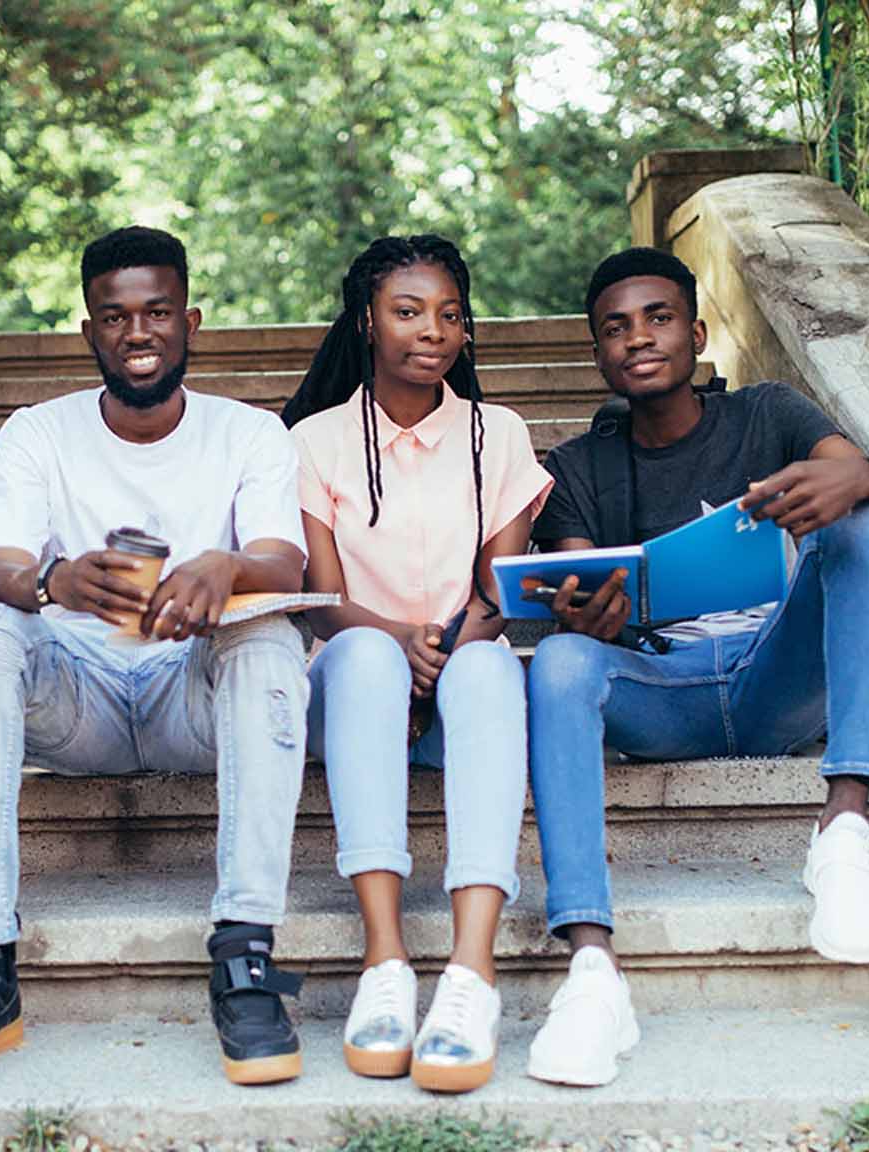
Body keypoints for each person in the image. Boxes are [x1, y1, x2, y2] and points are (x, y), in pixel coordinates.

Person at [0, 226, 312, 1094]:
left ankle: (246, 953)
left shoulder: (250, 433)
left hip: (194, 698)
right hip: (80, 705)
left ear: (192, 322)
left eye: (157, 313)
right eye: (116, 317)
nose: (138, 333)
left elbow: (287, 564)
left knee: (268, 634)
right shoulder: (38, 432)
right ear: (89, 332)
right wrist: (54, 580)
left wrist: (224, 567)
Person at [521, 247, 869, 1087]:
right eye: (615, 328)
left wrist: (862, 480)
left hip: (775, 674)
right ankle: (592, 968)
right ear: (596, 355)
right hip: (657, 692)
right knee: (559, 660)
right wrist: (587, 612)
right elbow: (572, 578)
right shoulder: (573, 469)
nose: (638, 338)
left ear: (697, 334)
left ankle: (845, 831)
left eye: (658, 318)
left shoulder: (766, 413)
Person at [283, 236, 550, 1094]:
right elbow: (320, 599)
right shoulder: (313, 441)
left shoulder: (495, 432)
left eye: (449, 315)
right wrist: (398, 643)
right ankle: (386, 962)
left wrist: (439, 653)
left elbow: (498, 591)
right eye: (407, 311)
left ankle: (472, 973)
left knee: (494, 667)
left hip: (458, 672)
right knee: (361, 653)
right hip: (356, 683)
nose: (430, 331)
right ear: (367, 321)